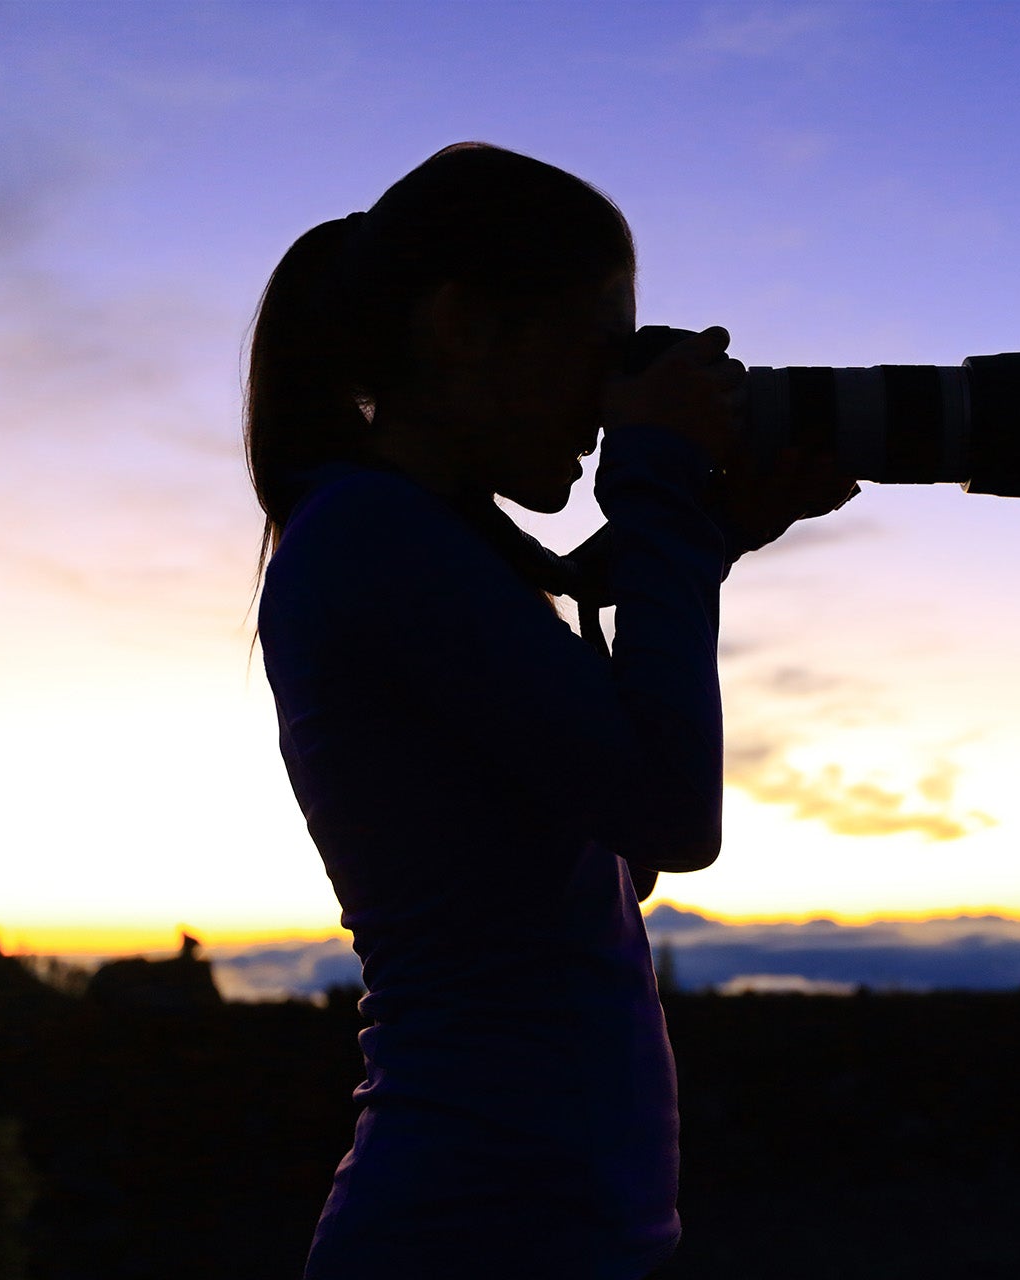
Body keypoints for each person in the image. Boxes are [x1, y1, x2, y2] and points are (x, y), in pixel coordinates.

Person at [246, 143, 851, 1279]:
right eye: (599, 351)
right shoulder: (376, 537)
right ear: (465, 326)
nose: (609, 398)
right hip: (477, 1227)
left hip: (527, 1223)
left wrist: (701, 543)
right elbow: (676, 814)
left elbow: (616, 850)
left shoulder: (428, 544)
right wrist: (663, 498)